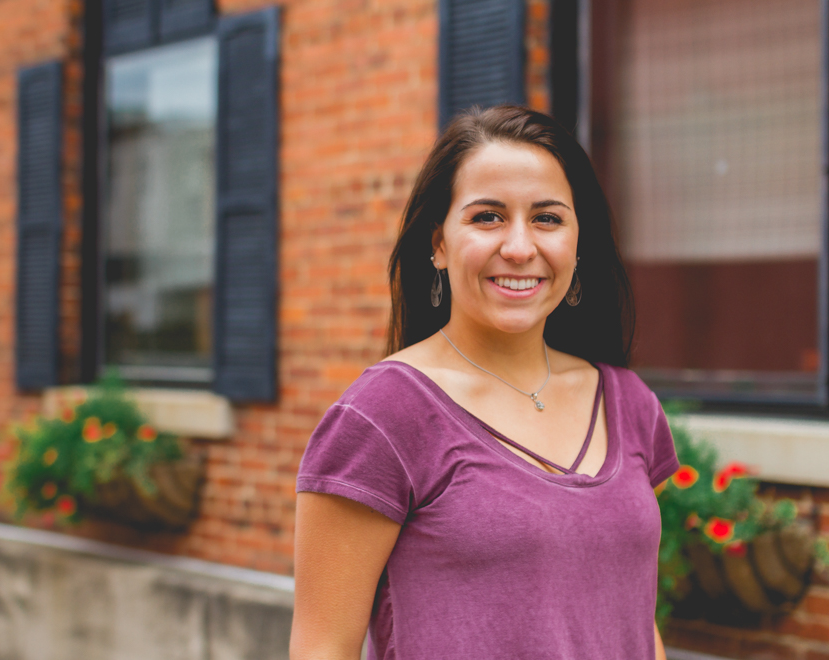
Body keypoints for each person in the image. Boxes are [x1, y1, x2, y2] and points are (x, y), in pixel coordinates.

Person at [289, 105, 679, 660]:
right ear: (440, 244)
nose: (520, 247)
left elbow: (633, 619)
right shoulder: (381, 418)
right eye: (488, 217)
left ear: (577, 244)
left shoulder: (629, 403)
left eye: (547, 218)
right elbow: (322, 648)